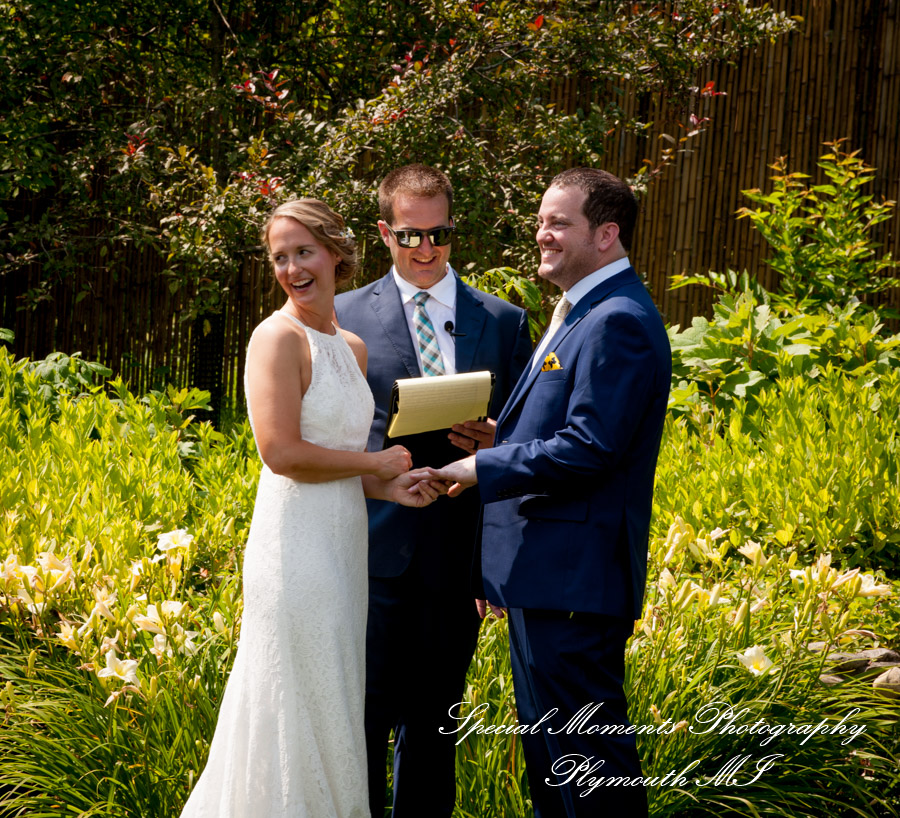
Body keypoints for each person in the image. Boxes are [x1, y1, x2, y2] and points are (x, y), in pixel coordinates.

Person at [180, 198, 443, 818]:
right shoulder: (275, 337)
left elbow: (342, 460)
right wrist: (374, 464)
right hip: (293, 548)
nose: (293, 268)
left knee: (334, 695)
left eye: (304, 252)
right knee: (292, 694)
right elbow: (282, 453)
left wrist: (389, 487)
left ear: (335, 253)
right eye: (280, 257)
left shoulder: (350, 347)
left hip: (343, 544)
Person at [431, 168, 672, 817]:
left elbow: (591, 447)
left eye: (559, 222)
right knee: (556, 776)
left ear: (607, 233)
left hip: (574, 587)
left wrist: (484, 468)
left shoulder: (616, 319)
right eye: (542, 220)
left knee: (589, 774)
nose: (543, 233)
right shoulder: (582, 311)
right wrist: (500, 439)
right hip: (546, 581)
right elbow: (563, 431)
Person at [334, 164, 532, 817]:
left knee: (434, 728)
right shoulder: (340, 316)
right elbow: (324, 427)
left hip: (456, 555)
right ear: (384, 232)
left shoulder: (503, 322)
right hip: (366, 549)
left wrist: (494, 440)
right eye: (409, 236)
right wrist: (378, 466)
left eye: (438, 234)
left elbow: (530, 441)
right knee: (358, 721)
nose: (425, 250)